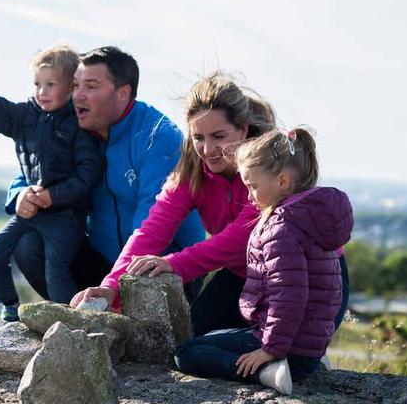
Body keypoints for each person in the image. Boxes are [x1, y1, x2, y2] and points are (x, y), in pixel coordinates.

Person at [69, 72, 273, 331]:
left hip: (297, 275)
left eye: (219, 136)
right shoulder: (192, 171)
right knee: (194, 343)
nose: (208, 149)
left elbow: (240, 238)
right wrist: (111, 286)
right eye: (199, 137)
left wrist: (173, 263)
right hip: (243, 275)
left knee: (269, 346)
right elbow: (151, 230)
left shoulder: (269, 167)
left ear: (242, 130)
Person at [9, 46, 205, 299]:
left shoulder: (159, 137)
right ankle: (74, 327)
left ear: (123, 93)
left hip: (163, 266)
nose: (78, 95)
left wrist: (113, 285)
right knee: (28, 245)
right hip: (102, 262)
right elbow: (34, 169)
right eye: (75, 85)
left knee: (145, 272)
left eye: (90, 87)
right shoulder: (72, 128)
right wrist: (20, 193)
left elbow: (151, 227)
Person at [173, 127, 353, 395]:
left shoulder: (283, 228)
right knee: (209, 339)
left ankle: (266, 372)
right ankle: (287, 364)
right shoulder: (309, 219)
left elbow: (289, 296)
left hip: (287, 349)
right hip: (305, 348)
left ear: (281, 181)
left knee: (185, 353)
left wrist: (270, 350)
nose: (248, 196)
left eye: (253, 186)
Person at [0, 45, 101, 320]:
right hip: (32, 210)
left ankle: (68, 323)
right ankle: (9, 308)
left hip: (65, 215)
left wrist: (53, 196)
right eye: (37, 84)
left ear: (70, 87)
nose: (41, 91)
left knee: (55, 270)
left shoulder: (78, 126)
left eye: (50, 84)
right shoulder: (25, 117)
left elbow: (87, 176)